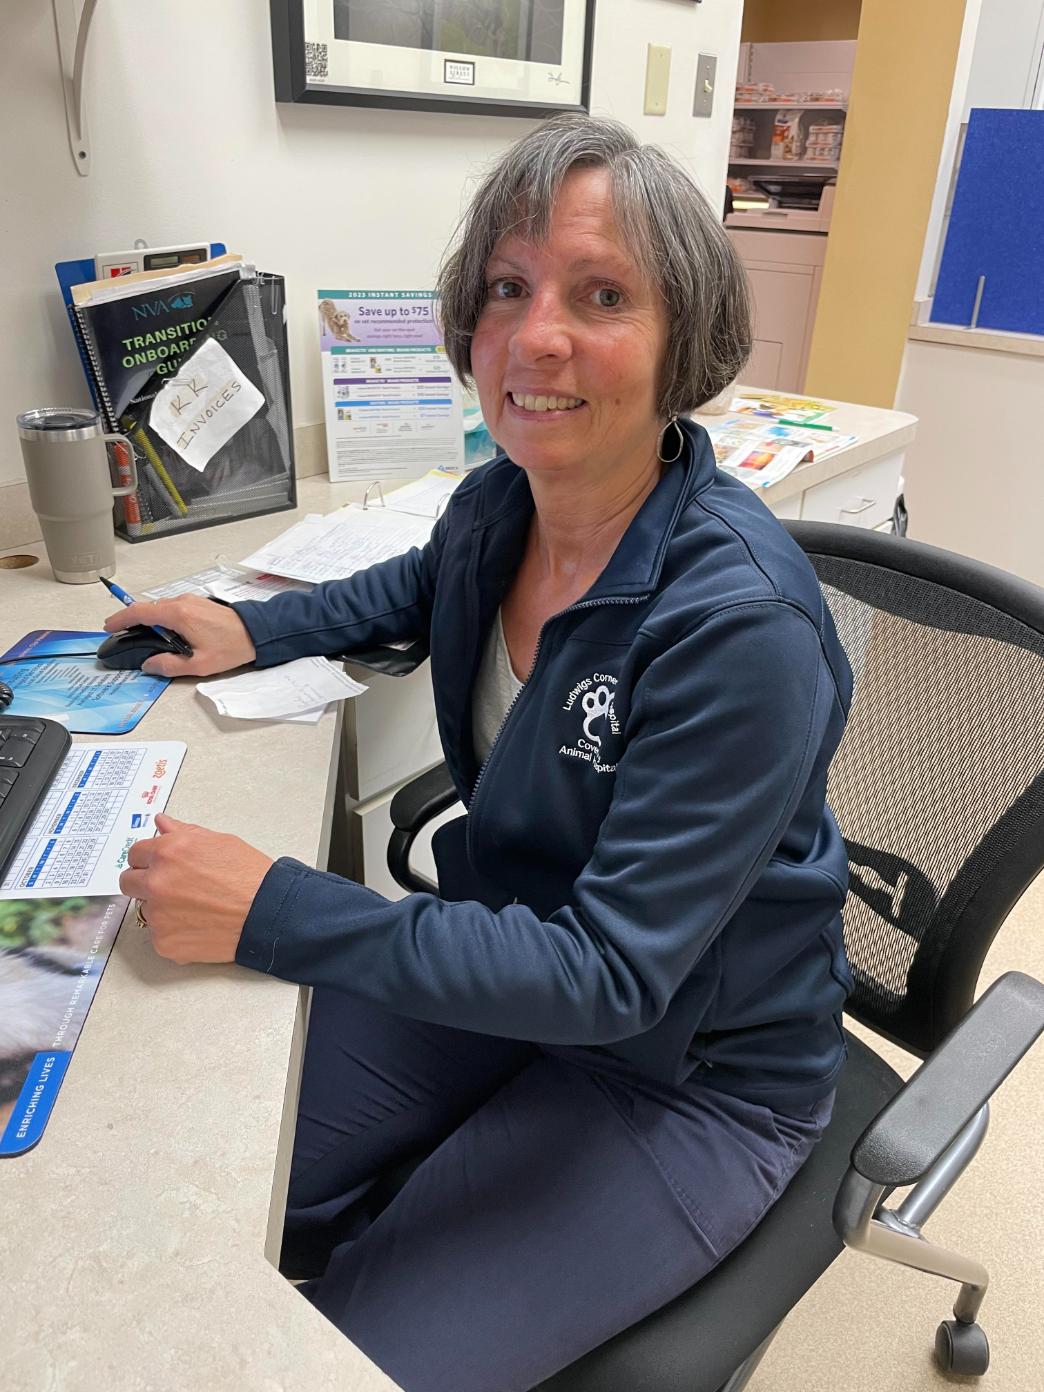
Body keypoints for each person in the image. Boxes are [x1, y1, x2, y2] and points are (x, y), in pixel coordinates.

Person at [110, 115, 853, 1392]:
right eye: (508, 288)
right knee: (186, 1207)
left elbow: (615, 975)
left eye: (603, 295)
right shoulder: (502, 499)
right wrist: (251, 625)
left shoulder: (744, 627)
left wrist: (278, 910)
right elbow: (418, 585)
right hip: (504, 961)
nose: (536, 335)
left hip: (686, 1073)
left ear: (686, 345)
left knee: (325, 1356)